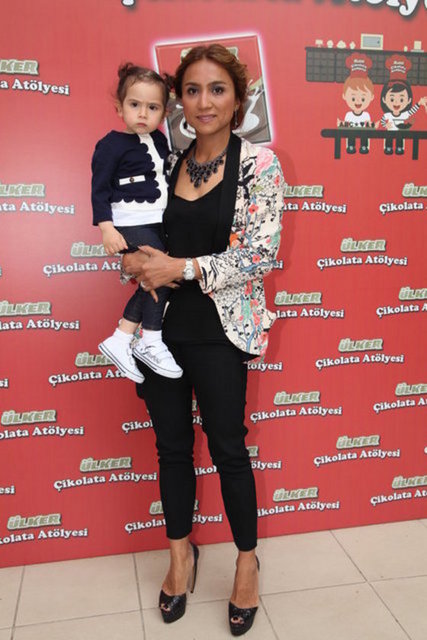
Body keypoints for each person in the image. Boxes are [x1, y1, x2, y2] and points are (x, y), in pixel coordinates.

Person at [123, 44, 285, 636]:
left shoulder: (259, 165)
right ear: (179, 102)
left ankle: (246, 562)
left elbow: (260, 254)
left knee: (228, 448)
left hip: (221, 333)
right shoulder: (166, 163)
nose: (204, 101)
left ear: (238, 99)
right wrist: (135, 259)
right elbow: (142, 231)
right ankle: (179, 556)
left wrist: (183, 268)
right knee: (170, 448)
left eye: (217, 89)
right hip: (159, 331)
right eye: (192, 90)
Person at [91, 63, 183, 383]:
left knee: (154, 278)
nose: (143, 113)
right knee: (160, 273)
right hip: (129, 221)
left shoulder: (160, 140)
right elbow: (99, 189)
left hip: (158, 222)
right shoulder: (110, 144)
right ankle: (151, 339)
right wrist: (106, 228)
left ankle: (122, 337)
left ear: (165, 112)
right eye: (134, 104)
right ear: (120, 107)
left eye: (152, 107)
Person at [380, 55, 427, 155]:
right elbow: (382, 120)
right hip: (390, 132)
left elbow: (412, 111)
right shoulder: (388, 115)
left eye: (401, 99)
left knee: (400, 139)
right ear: (384, 99)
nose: (396, 103)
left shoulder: (404, 114)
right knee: (389, 139)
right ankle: (388, 148)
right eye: (392, 99)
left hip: (400, 132)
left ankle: (399, 148)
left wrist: (419, 103)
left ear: (408, 100)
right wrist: (385, 125)